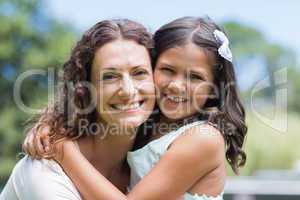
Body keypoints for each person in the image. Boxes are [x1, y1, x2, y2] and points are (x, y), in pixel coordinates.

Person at [23, 16, 247, 200]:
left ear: (213, 87)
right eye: (168, 70)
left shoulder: (203, 138)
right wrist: (48, 127)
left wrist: (65, 152)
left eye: (195, 77)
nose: (177, 85)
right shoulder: (149, 124)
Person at [0, 18, 156, 200]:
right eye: (110, 76)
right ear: (84, 89)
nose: (128, 91)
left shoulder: (154, 164)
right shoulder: (43, 173)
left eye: (139, 73)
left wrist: (67, 154)